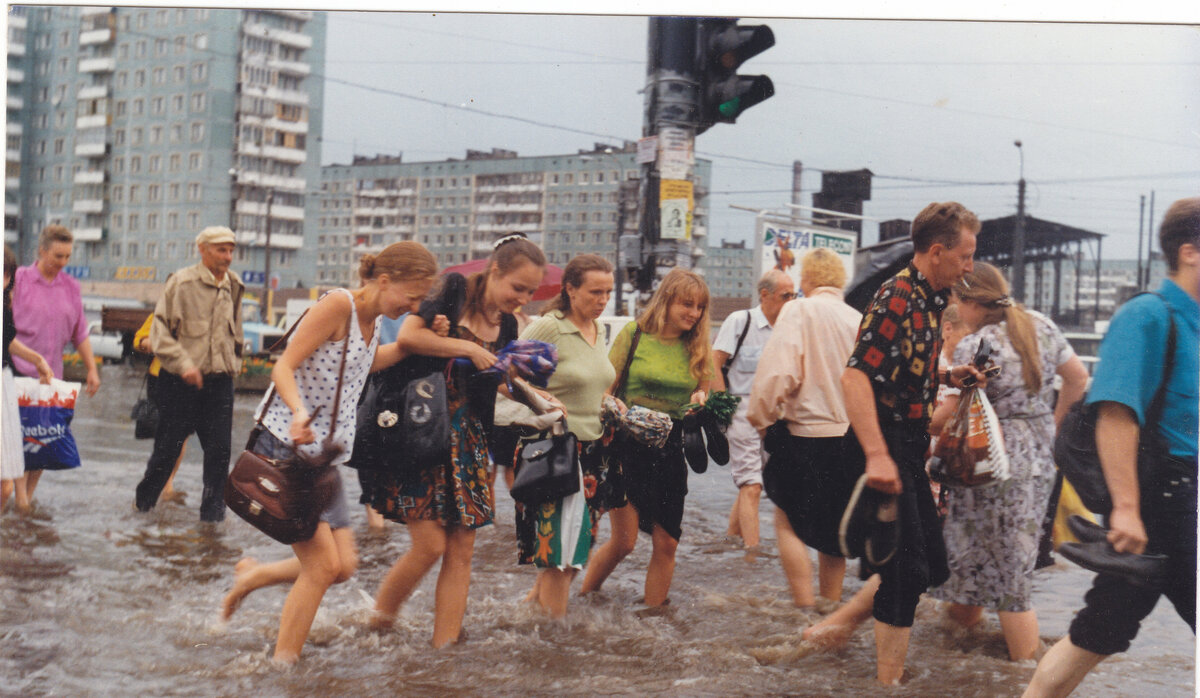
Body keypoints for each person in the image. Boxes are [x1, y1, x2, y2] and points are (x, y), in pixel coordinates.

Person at [219, 241, 438, 664]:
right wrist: (299, 412)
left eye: (420, 301)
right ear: (384, 280)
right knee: (321, 567)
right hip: (288, 443)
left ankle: (255, 575)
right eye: (410, 298)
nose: (412, 307)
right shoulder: (339, 305)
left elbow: (364, 364)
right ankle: (284, 667)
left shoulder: (373, 321)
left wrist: (418, 343)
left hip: (325, 456)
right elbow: (284, 365)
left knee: (344, 567)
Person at [1024, 197, 1199, 698]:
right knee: (1102, 627)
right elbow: (1116, 415)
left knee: (1099, 629)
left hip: (1179, 504)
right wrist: (1126, 509)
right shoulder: (1148, 316)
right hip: (1161, 505)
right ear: (1190, 252)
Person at [806, 202, 984, 684]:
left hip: (905, 449)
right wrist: (878, 456)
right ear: (937, 251)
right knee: (907, 572)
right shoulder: (898, 297)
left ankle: (835, 632)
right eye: (965, 256)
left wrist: (949, 374)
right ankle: (888, 682)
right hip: (880, 449)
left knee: (932, 566)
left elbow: (898, 369)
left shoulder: (929, 299)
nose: (970, 267)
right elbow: (855, 378)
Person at [370, 234, 548, 648]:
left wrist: (535, 398)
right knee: (429, 545)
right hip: (423, 428)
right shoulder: (453, 289)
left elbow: (495, 380)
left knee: (463, 549)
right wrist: (467, 346)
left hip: (470, 439)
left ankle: (443, 647)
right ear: (495, 271)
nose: (521, 299)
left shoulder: (506, 324)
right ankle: (378, 622)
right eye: (517, 288)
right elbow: (411, 338)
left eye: (530, 292)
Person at [929, 262, 1089, 661]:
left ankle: (1028, 677)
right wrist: (1051, 424)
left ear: (969, 302)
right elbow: (1078, 379)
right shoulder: (1043, 326)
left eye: (955, 301)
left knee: (1007, 585)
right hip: (1037, 454)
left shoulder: (976, 346)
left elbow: (949, 416)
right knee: (990, 561)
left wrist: (909, 417)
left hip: (989, 460)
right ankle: (953, 649)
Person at [580, 267, 714, 608]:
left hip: (671, 447)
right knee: (624, 543)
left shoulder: (698, 345)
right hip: (625, 445)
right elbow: (604, 389)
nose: (693, 313)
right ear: (666, 300)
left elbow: (704, 390)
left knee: (667, 541)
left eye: (699, 307)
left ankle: (654, 617)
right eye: (687, 304)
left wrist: (702, 400)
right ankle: (583, 598)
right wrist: (613, 405)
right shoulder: (634, 333)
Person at [746, 248, 861, 607]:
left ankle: (804, 607)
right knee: (835, 533)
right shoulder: (858, 317)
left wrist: (760, 420)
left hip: (805, 435)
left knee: (787, 519)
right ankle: (831, 607)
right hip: (851, 437)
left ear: (807, 279)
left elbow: (779, 373)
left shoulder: (800, 309)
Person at [515, 254, 616, 617]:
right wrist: (541, 397)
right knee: (559, 552)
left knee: (579, 549)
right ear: (570, 289)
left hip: (595, 451)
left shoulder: (599, 329)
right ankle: (555, 645)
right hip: (556, 450)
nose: (603, 300)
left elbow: (595, 386)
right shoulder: (549, 327)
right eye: (594, 292)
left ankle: (529, 616)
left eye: (608, 292)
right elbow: (506, 374)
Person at [133, 226, 244, 523]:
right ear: (203, 250)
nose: (228, 257)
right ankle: (143, 509)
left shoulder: (234, 285)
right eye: (222, 250)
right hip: (180, 383)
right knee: (167, 452)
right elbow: (159, 335)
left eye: (231, 250)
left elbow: (236, 332)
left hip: (219, 382)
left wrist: (235, 363)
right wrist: (185, 365)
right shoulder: (181, 284)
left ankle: (212, 522)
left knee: (219, 453)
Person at [10, 225, 101, 504]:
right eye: (57, 256)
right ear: (42, 251)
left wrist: (92, 369)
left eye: (67, 257)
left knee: (43, 440)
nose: (62, 263)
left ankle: (26, 498)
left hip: (51, 378)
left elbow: (80, 333)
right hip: (16, 371)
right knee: (18, 439)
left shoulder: (71, 287)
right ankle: (22, 502)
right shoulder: (19, 280)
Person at [714, 269, 794, 551]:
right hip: (741, 412)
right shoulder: (740, 321)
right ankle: (752, 556)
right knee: (752, 486)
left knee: (754, 481)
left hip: (774, 417)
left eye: (794, 295)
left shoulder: (789, 328)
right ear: (765, 295)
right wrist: (723, 410)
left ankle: (730, 541)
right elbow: (715, 363)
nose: (791, 300)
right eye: (786, 295)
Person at [3, 245, 54, 513]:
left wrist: (37, 360)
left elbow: (7, 340)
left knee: (5, 487)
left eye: (5, 274)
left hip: (7, 381)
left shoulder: (4, 303)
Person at [132, 313, 185, 505]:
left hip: (189, 379)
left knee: (183, 434)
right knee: (166, 433)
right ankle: (164, 482)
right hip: (160, 378)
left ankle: (168, 480)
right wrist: (149, 344)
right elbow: (138, 340)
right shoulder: (162, 313)